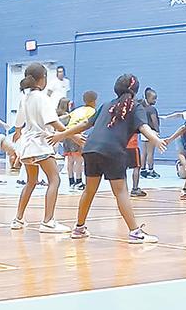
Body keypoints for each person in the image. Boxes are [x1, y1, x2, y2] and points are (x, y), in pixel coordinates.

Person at [51, 74, 166, 243]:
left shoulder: (106, 105)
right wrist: (155, 139)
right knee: (121, 192)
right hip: (113, 151)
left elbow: (85, 124)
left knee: (89, 190)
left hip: (91, 149)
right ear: (135, 90)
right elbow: (143, 127)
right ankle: (135, 232)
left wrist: (63, 134)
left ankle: (79, 228)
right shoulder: (135, 106)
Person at [10, 64, 69, 233]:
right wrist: (72, 134)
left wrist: (18, 132)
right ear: (42, 78)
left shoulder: (25, 97)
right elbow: (53, 121)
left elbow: (19, 122)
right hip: (41, 145)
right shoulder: (42, 98)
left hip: (27, 146)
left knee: (31, 181)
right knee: (54, 179)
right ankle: (48, 221)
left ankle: (18, 219)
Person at [66, 91, 97, 191]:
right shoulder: (92, 111)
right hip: (77, 135)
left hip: (67, 134)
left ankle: (71, 182)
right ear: (94, 101)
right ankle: (79, 182)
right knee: (79, 160)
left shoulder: (77, 110)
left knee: (70, 160)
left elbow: (67, 118)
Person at [139, 88, 161, 178]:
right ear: (147, 98)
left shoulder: (141, 108)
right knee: (150, 153)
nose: (155, 100)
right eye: (153, 98)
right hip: (151, 132)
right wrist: (157, 131)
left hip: (143, 132)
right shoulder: (152, 109)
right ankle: (151, 171)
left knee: (144, 152)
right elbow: (154, 121)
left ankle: (143, 170)